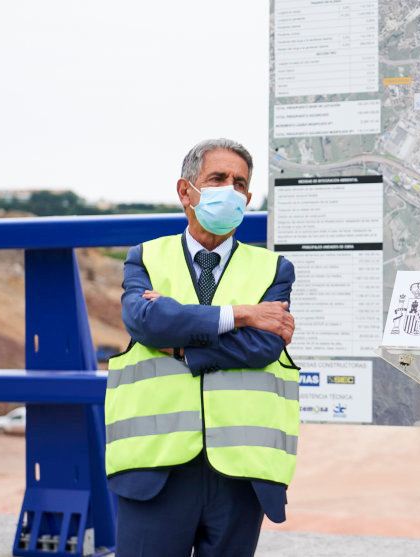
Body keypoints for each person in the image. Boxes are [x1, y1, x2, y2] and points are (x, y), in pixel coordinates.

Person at [105, 138, 299, 556]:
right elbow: (147, 322)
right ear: (185, 191)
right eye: (218, 178)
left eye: (240, 183)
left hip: (239, 475)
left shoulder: (274, 268)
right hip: (155, 468)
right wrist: (242, 314)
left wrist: (181, 348)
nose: (231, 190)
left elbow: (262, 346)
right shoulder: (145, 258)